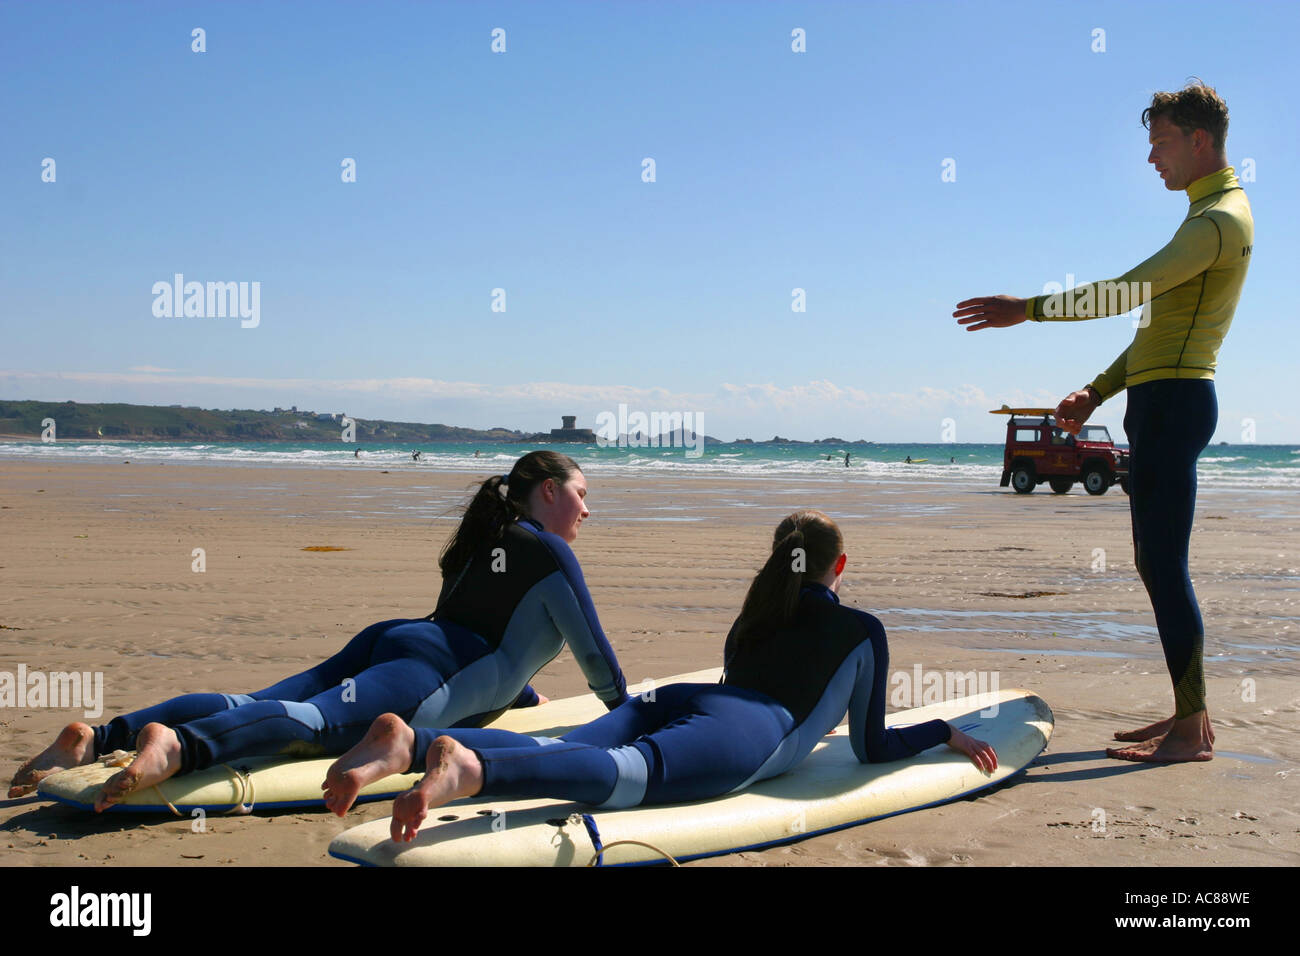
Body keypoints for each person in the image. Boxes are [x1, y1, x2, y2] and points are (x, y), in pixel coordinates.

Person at [320, 510, 996, 841]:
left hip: (680, 697)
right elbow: (870, 745)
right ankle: (471, 773)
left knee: (568, 746)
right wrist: (942, 731)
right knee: (625, 776)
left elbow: (736, 676)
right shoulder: (862, 631)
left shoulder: (757, 612)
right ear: (839, 567)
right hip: (748, 725)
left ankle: (409, 743)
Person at [9, 451, 628, 809]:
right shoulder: (549, 552)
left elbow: (477, 625)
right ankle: (179, 749)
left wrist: (517, 694)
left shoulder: (482, 536)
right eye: (581, 494)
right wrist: (626, 715)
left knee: (259, 702)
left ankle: (97, 735)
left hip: (397, 639)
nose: (587, 509)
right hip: (428, 671)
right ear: (550, 491)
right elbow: (595, 655)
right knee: (313, 725)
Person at [953, 81, 1252, 763]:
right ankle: (1188, 712)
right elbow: (1155, 326)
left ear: (1199, 140)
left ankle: (1189, 729)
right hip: (1160, 398)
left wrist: (1026, 308)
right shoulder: (1205, 215)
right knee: (1156, 562)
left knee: (1165, 566)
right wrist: (1096, 391)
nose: (1151, 158)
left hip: (1175, 404)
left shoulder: (1218, 222)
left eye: (1162, 142)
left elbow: (1125, 292)